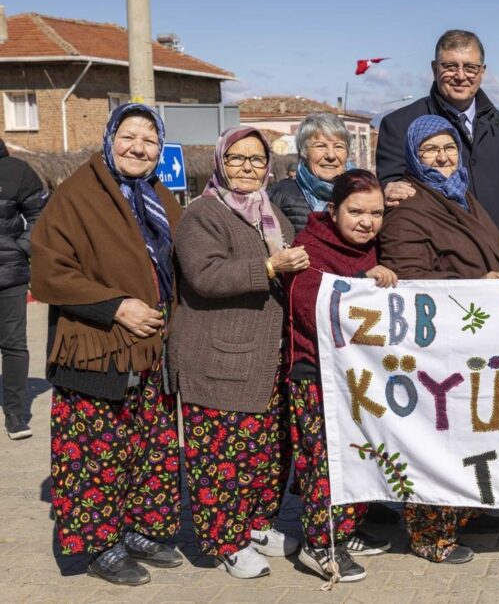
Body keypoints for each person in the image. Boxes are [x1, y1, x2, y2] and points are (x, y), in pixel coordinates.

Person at [30, 103, 184, 586]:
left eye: (150, 140)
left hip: (150, 349)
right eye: (129, 136)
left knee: (149, 447)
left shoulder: (159, 196)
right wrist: (116, 306)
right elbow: (49, 270)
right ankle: (99, 545)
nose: (139, 147)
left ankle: (139, 528)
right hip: (96, 347)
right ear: (109, 138)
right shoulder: (78, 193)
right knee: (96, 453)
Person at [170, 126, 302, 579]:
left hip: (265, 358)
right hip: (218, 355)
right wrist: (268, 266)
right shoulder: (203, 214)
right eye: (237, 159)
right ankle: (225, 540)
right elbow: (204, 275)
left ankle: (258, 524)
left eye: (257, 160)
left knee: (264, 450)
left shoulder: (273, 216)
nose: (247, 168)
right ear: (220, 163)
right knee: (222, 455)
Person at [378, 114, 499, 564]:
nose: (442, 157)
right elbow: (413, 280)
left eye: (449, 148)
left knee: (469, 434)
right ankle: (430, 534)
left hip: (471, 340)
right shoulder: (410, 209)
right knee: (436, 441)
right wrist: (479, 284)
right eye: (431, 150)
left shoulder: (461, 196)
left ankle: (464, 512)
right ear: (415, 156)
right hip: (435, 349)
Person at [284, 169, 397, 583]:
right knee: (324, 461)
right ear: (332, 210)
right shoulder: (308, 247)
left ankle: (345, 530)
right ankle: (321, 544)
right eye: (356, 211)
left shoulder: (370, 249)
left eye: (376, 213)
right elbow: (307, 306)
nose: (367, 222)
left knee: (358, 455)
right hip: (314, 374)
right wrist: (359, 286)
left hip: (359, 374)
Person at [376, 30, 499, 245]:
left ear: (483, 72)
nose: (461, 76)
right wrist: (388, 189)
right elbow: (391, 192)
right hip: (438, 261)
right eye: (450, 67)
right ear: (434, 69)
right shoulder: (399, 124)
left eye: (470, 67)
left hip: (498, 259)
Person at [0, 137, 44, 439]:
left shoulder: (17, 171)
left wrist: (20, 249)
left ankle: (16, 414)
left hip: (9, 274)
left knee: (13, 344)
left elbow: (41, 215)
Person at [268, 113, 351, 233]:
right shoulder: (280, 195)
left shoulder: (362, 194)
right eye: (320, 146)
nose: (331, 156)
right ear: (304, 152)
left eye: (339, 147)